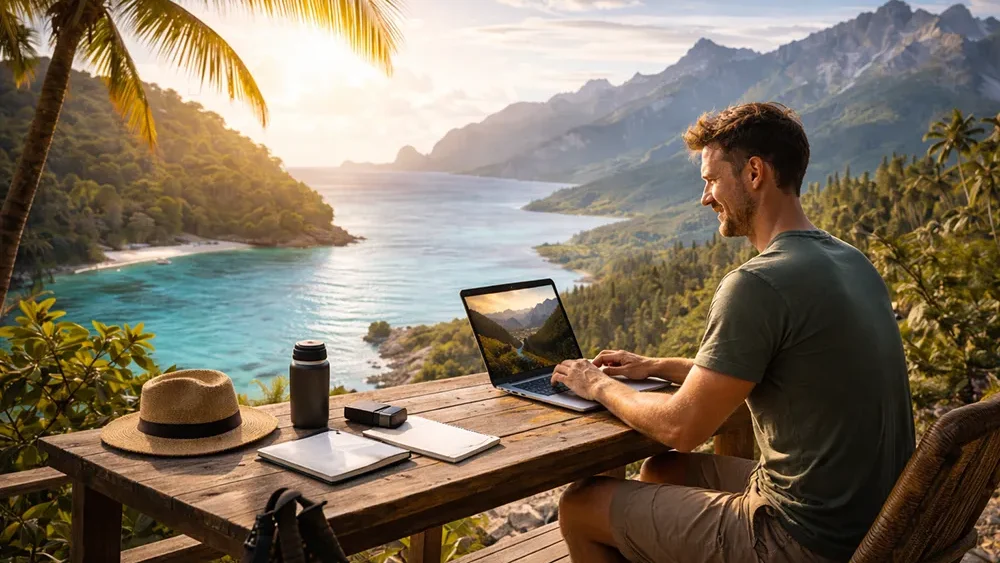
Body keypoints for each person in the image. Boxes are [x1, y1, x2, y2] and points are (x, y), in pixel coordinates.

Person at [550, 102, 915, 563]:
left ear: (755, 173)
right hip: (876, 521)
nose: (705, 197)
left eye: (711, 179)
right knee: (664, 471)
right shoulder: (851, 262)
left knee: (580, 506)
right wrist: (657, 366)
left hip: (806, 539)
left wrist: (596, 383)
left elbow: (682, 427)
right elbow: (772, 371)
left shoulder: (758, 283)